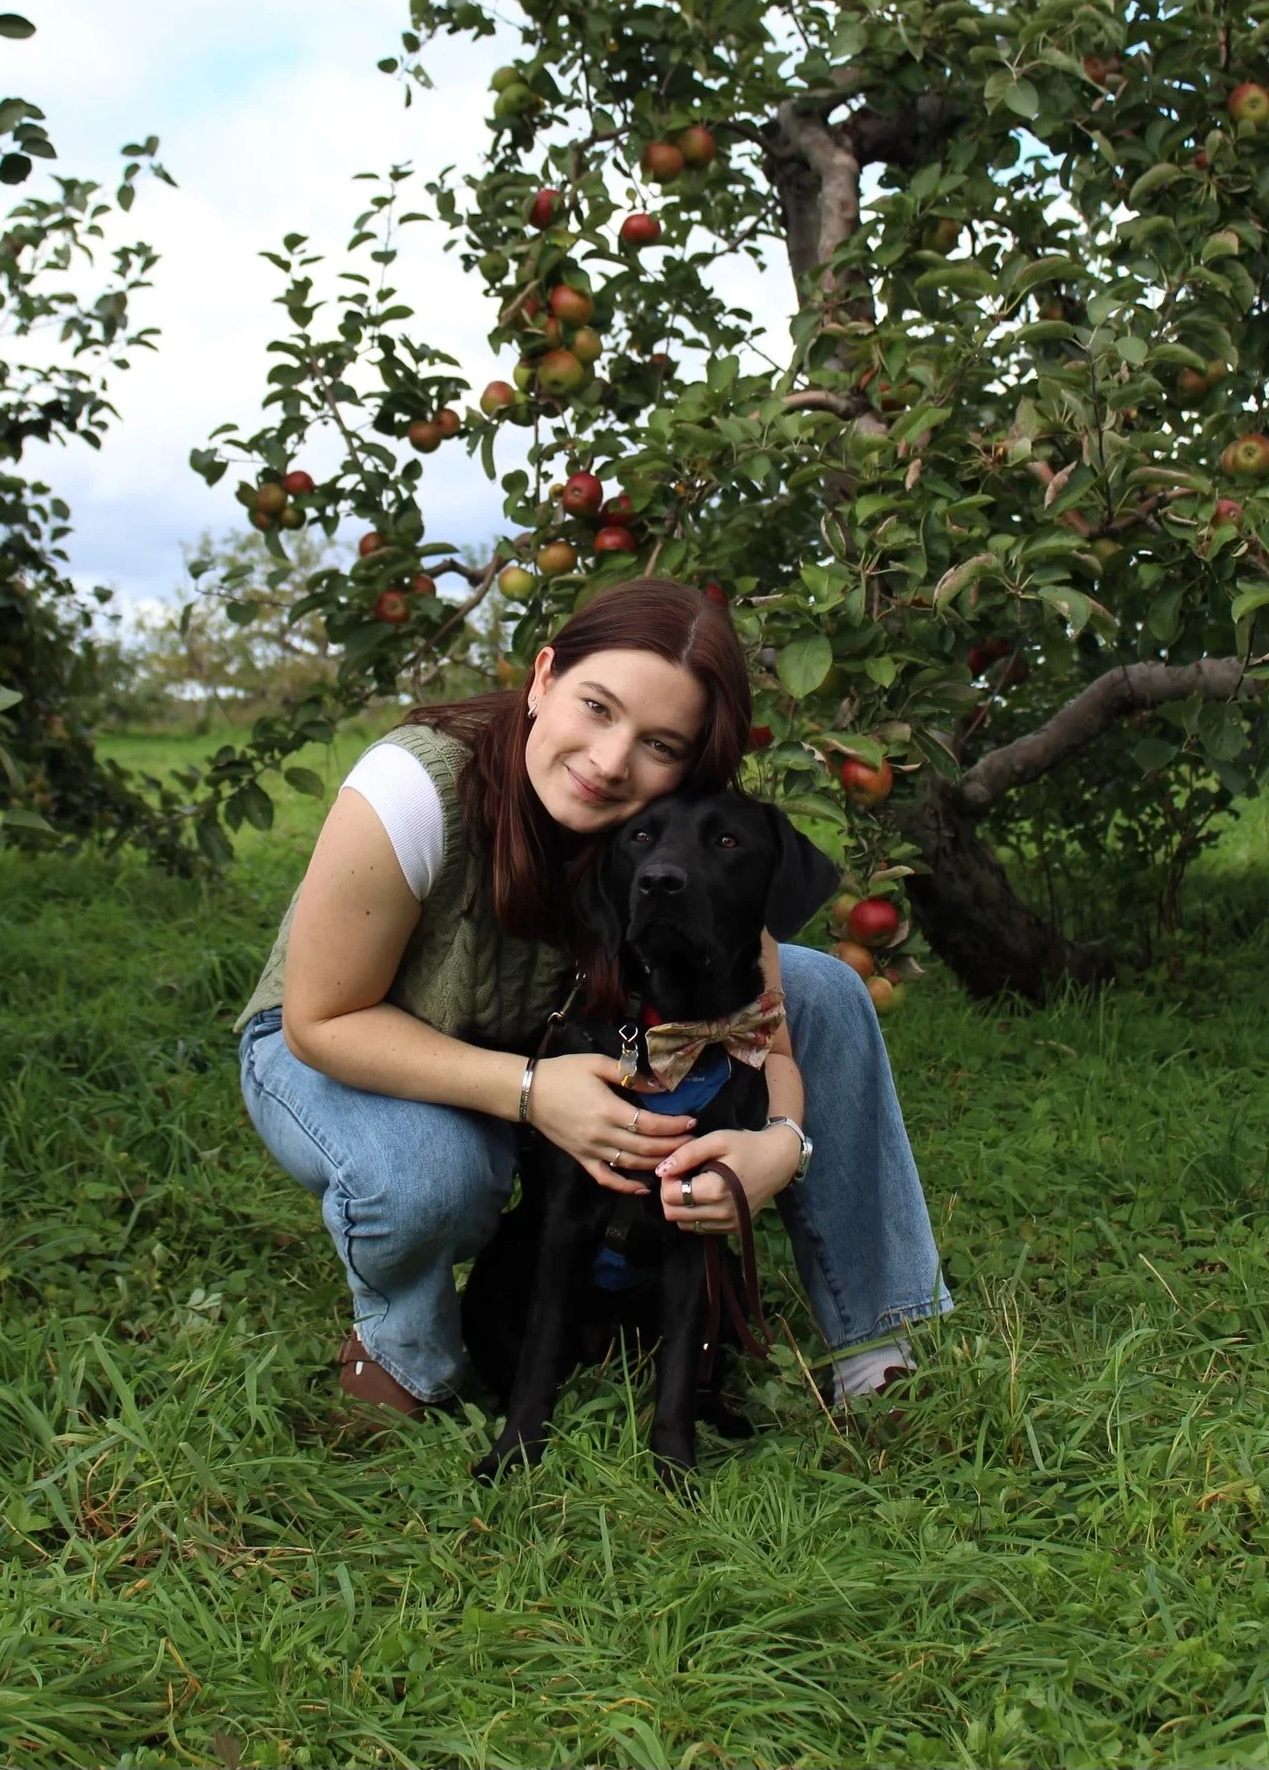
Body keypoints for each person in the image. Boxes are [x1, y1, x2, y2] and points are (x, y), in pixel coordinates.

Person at [236, 578, 951, 1417]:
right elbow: (321, 1019)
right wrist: (532, 1093)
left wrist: (779, 1147)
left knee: (825, 985)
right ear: (542, 678)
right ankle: (405, 1348)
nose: (611, 760)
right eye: (596, 706)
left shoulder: (673, 822)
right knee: (427, 1170)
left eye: (659, 742)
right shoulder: (413, 788)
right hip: (349, 1042)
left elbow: (772, 1040)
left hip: (549, 1043)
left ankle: (873, 1341)